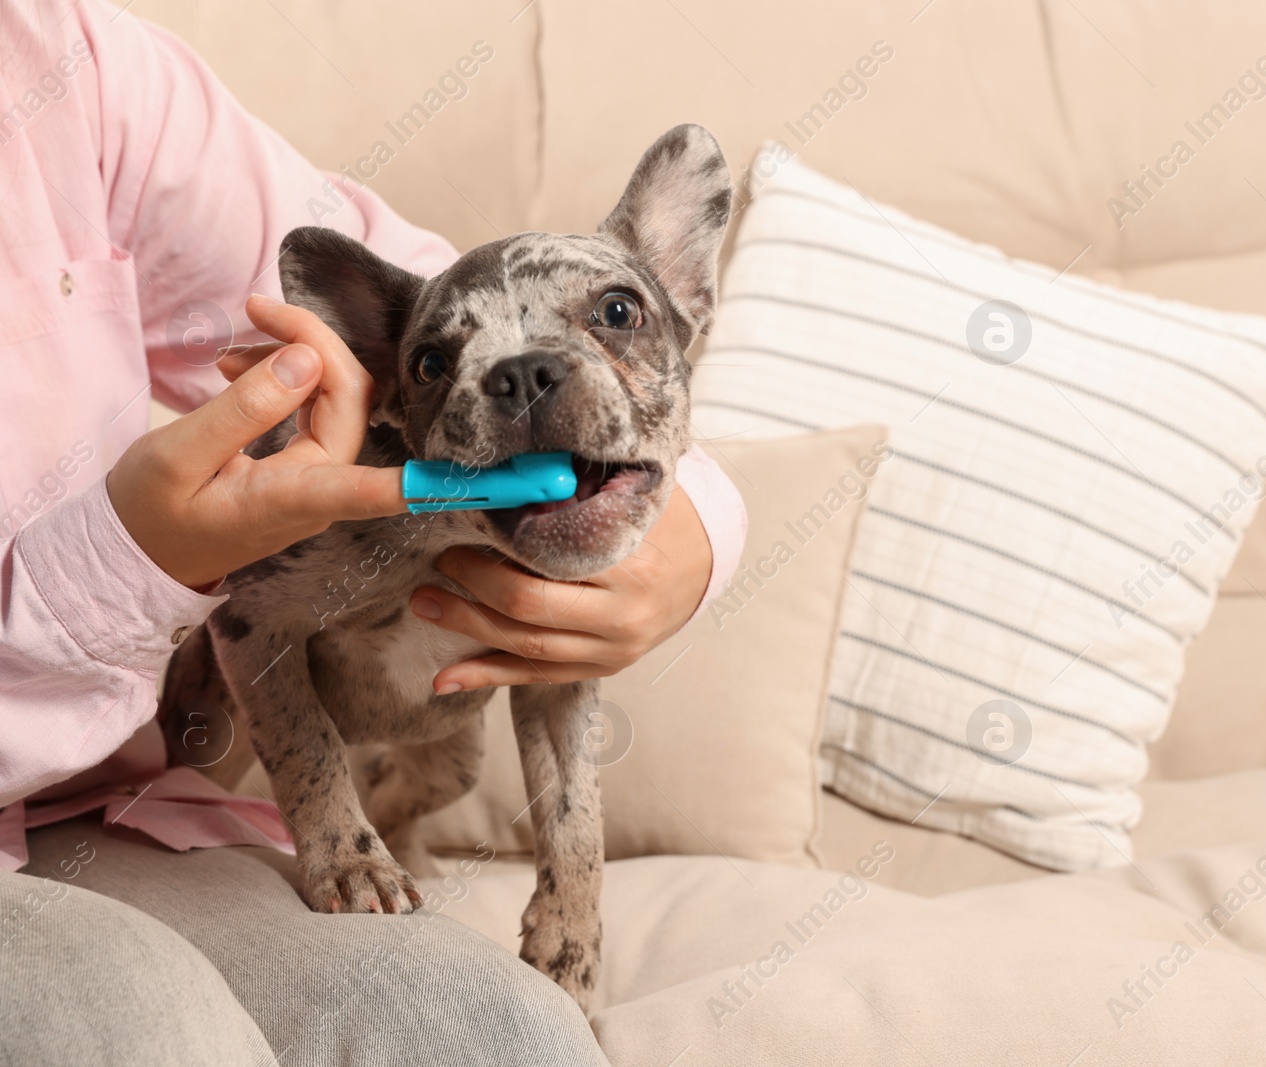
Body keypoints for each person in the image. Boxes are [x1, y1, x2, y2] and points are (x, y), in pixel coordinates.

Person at [0, 2, 746, 1064]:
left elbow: (469, 293)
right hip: (158, 756)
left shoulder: (72, 70)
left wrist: (693, 530)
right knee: (146, 1030)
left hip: (106, 802)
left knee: (494, 1033)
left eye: (619, 316)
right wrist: (133, 560)